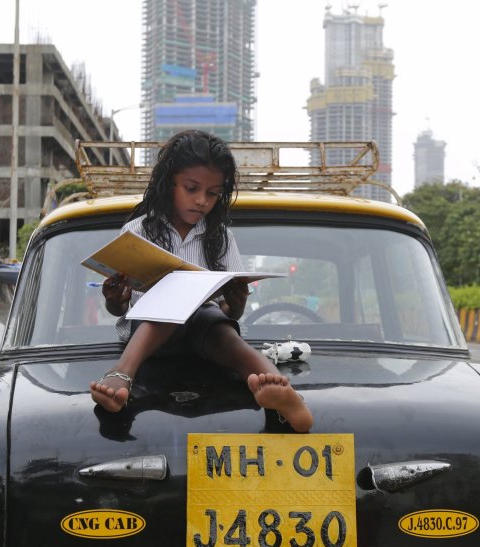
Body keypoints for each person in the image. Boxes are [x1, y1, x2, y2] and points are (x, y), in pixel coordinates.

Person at [88, 130, 314, 432]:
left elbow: (228, 313)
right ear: (169, 183)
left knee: (222, 330)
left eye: (212, 193)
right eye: (191, 188)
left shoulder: (220, 238)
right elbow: (119, 311)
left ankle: (287, 396)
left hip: (207, 336)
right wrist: (114, 300)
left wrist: (235, 304)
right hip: (148, 340)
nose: (201, 201)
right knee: (174, 296)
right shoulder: (136, 231)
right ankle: (121, 375)